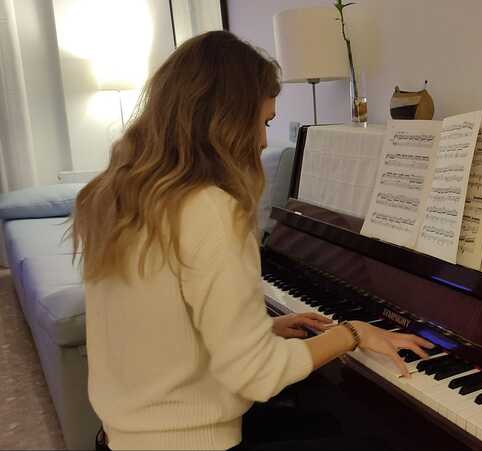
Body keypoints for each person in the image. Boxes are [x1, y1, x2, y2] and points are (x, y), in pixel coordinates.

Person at [71, 30, 433, 450]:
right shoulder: (209, 208)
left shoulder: (116, 193)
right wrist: (351, 333)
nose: (263, 140)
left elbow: (154, 328)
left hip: (124, 435)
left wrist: (266, 330)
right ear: (223, 121)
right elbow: (257, 376)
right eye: (263, 122)